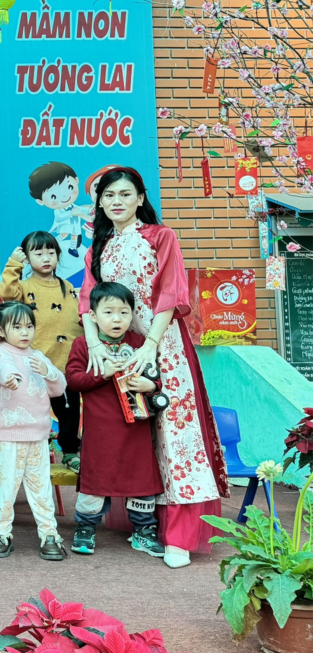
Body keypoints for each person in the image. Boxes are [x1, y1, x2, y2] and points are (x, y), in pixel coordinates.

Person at [79, 166, 228, 569]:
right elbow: (88, 301)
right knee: (134, 432)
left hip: (165, 347)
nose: (117, 202)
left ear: (140, 199)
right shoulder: (98, 248)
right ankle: (146, 525)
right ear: (100, 203)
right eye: (109, 196)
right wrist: (96, 344)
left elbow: (171, 292)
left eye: (125, 194)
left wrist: (151, 345)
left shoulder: (161, 237)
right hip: (120, 348)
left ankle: (179, 536)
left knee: (176, 435)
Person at [66, 281, 165, 559]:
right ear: (93, 315)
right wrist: (103, 373)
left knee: (141, 478)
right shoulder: (84, 345)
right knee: (96, 480)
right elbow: (73, 380)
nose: (117, 319)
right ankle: (86, 528)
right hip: (100, 432)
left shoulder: (139, 344)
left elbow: (157, 377)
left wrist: (151, 386)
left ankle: (144, 530)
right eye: (108, 312)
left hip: (136, 429)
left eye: (124, 312)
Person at [0, 301, 67, 561]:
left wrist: (49, 371)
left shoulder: (38, 356)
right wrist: (10, 377)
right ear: (1, 330)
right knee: (6, 488)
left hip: (38, 436)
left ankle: (49, 533)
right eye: (17, 327)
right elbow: (2, 369)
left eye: (29, 326)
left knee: (40, 487)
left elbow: (59, 388)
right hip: (8, 436)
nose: (25, 332)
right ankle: (1, 533)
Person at [0, 231, 84, 469]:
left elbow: (75, 320)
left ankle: (70, 452)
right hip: (35, 364)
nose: (46, 258)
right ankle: (36, 449)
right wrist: (14, 264)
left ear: (58, 255)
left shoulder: (67, 286)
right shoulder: (23, 287)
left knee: (69, 411)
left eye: (51, 252)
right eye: (38, 254)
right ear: (27, 258)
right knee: (35, 410)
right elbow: (6, 293)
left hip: (66, 363)